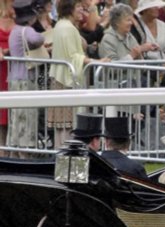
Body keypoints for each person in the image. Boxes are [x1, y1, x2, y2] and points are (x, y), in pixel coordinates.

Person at [48, 0, 110, 149]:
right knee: (68, 125)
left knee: (63, 126)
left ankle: (63, 154)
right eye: (77, 7)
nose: (81, 10)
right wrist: (97, 61)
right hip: (67, 81)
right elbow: (73, 57)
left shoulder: (61, 25)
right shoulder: (67, 28)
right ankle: (68, 155)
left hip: (60, 78)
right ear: (69, 9)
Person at [7, 0, 46, 159]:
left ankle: (15, 152)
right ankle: (25, 154)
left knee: (16, 119)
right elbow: (39, 39)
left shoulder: (13, 30)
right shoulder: (26, 30)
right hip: (25, 78)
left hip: (13, 78)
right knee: (26, 118)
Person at [0, 0, 15, 156]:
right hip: (1, 71)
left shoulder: (20, 19)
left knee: (12, 118)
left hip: (14, 71)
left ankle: (8, 155)